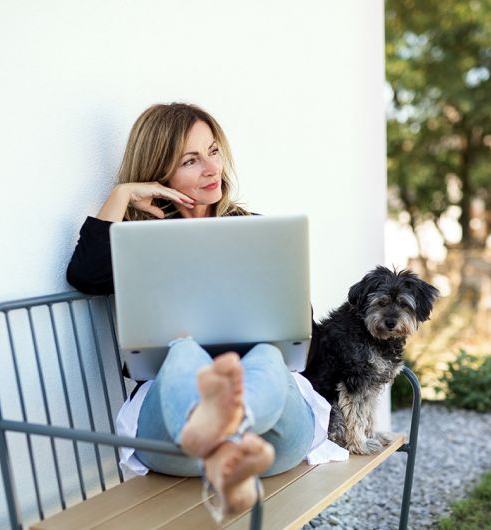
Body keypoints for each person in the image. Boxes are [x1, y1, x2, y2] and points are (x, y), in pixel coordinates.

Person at [66, 103, 346, 520]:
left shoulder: (257, 233)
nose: (211, 168)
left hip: (272, 432)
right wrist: (122, 194)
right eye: (190, 160)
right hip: (175, 438)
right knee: (183, 353)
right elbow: (84, 275)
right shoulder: (138, 245)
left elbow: (302, 336)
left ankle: (228, 429)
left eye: (213, 152)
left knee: (268, 355)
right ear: (160, 174)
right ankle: (222, 434)